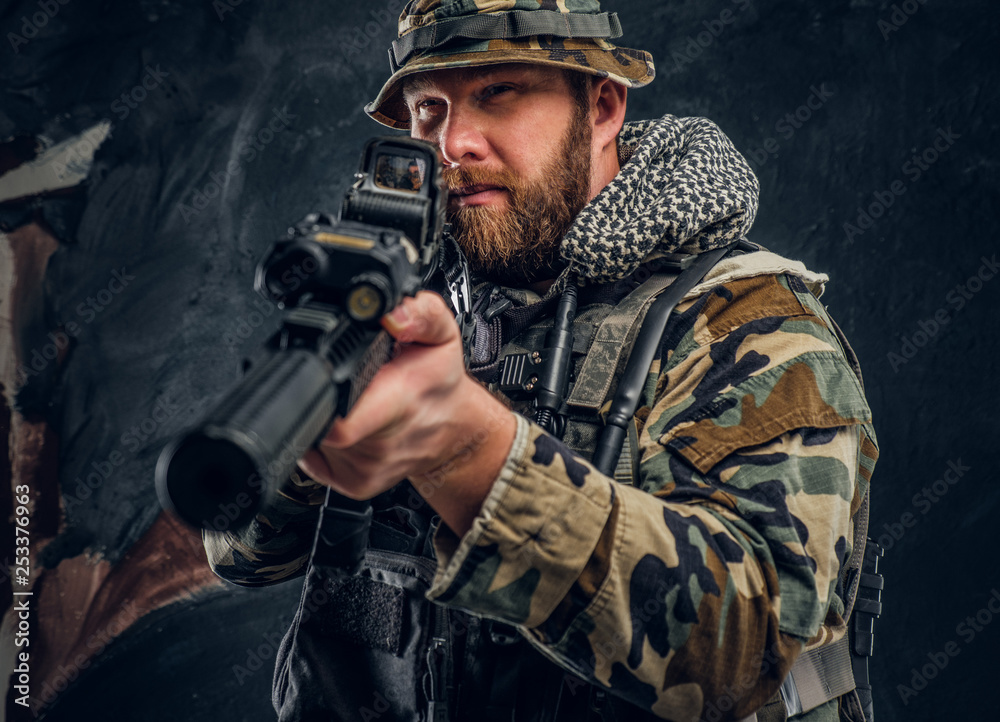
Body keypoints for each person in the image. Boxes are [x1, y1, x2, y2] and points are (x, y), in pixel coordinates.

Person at [203, 3, 879, 721]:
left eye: (499, 93)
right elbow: (244, 556)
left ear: (603, 107)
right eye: (429, 108)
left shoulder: (747, 323)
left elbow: (740, 653)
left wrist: (466, 453)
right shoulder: (415, 300)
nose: (455, 141)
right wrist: (315, 414)